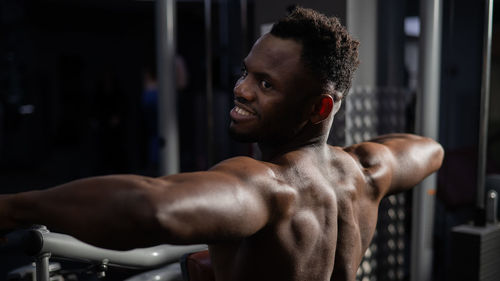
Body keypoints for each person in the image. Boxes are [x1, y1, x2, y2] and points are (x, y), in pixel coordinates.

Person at [0, 7, 443, 281]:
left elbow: (154, 208)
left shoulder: (269, 187)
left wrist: (14, 208)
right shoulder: (364, 172)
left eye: (265, 84)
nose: (242, 89)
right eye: (246, 72)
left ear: (319, 108)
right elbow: (430, 149)